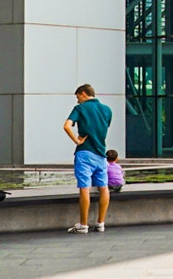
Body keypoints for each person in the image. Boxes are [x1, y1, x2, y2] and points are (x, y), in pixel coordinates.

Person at [63, 83, 113, 233]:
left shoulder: (80, 108)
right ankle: (101, 223)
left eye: (78, 97)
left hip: (85, 152)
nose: (77, 101)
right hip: (101, 153)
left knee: (84, 187)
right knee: (103, 187)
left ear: (83, 94)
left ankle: (83, 224)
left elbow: (66, 126)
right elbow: (103, 128)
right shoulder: (107, 110)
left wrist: (77, 140)